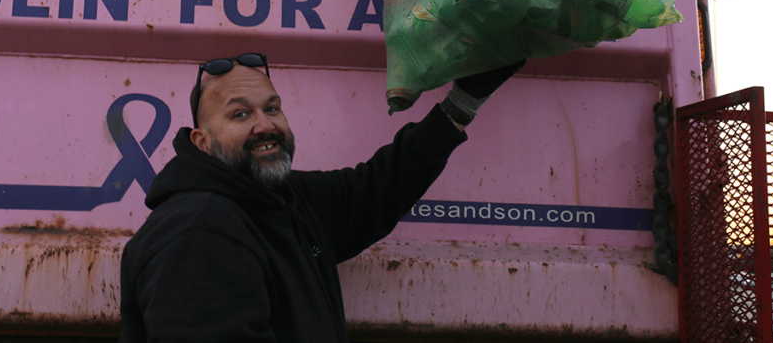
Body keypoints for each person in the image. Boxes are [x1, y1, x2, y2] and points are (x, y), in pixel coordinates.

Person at [118, 52, 521, 343]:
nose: (265, 125)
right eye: (240, 115)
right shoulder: (201, 232)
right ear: (202, 142)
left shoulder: (285, 200)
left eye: (272, 108)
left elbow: (378, 188)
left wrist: (463, 101)